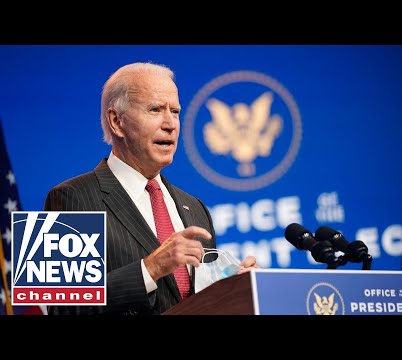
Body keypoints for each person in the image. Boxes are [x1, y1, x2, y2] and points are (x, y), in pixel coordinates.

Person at [44, 62, 258, 315]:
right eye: (155, 109)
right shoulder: (70, 196)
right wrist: (150, 269)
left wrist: (236, 287)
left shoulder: (195, 207)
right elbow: (59, 307)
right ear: (116, 121)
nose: (171, 124)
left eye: (175, 111)